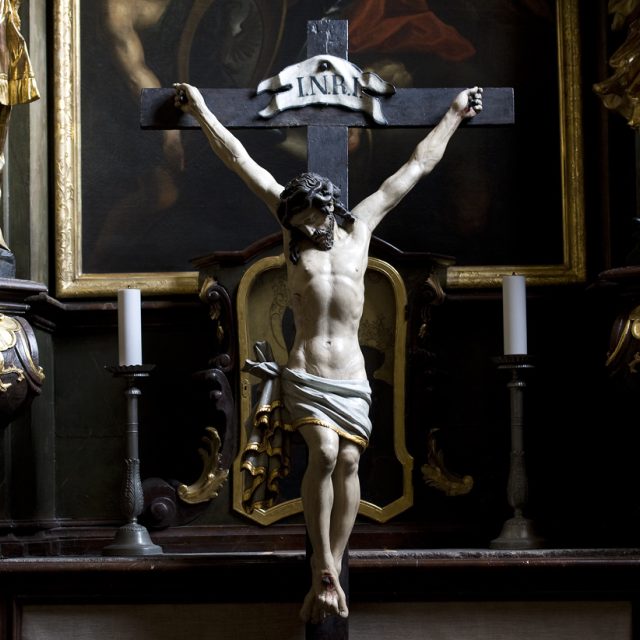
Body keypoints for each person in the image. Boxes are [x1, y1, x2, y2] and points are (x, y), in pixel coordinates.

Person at [173, 81, 482, 624]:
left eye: (311, 222)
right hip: (308, 370)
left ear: (329, 208)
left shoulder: (361, 227)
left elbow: (415, 166)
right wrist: (199, 111)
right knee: (324, 452)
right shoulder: (292, 235)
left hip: (352, 374)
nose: (306, 233)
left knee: (350, 459)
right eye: (296, 226)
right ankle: (322, 566)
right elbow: (239, 159)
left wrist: (455, 115)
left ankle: (332, 569)